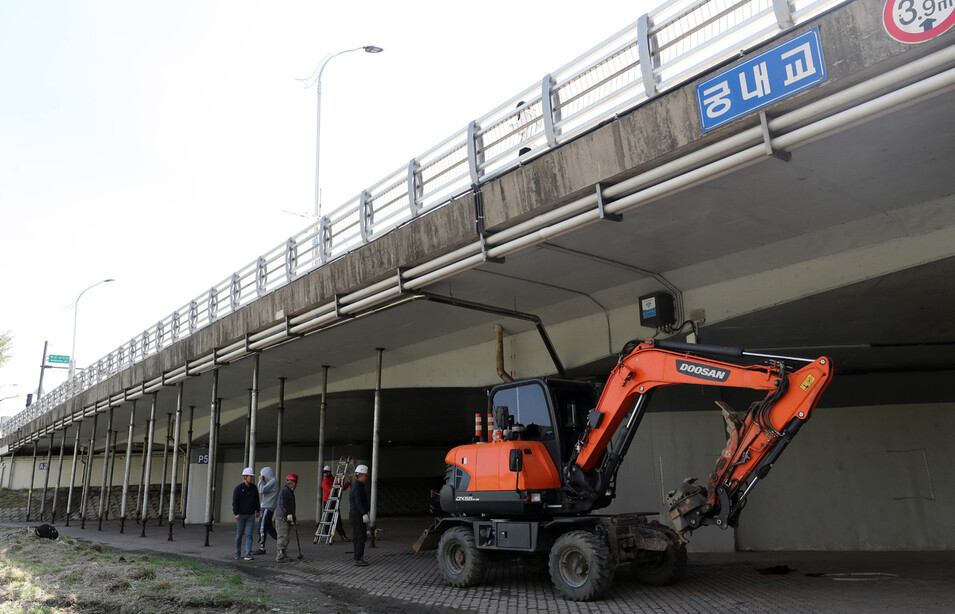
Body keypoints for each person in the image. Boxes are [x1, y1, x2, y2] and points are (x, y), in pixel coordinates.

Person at [232, 467, 260, 561]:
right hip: (241, 515)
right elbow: (235, 502)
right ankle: (238, 552)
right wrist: (236, 513)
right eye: (250, 476)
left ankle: (248, 553)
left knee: (249, 534)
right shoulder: (239, 488)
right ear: (245, 477)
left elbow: (257, 500)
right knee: (239, 535)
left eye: (252, 476)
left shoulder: (254, 488)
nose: (251, 478)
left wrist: (258, 510)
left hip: (251, 515)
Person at [321, 465, 350, 542]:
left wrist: (348, 482)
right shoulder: (324, 482)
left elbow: (342, 488)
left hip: (335, 502)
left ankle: (342, 536)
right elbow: (330, 490)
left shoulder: (334, 479)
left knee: (338, 520)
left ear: (330, 472)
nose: (325, 474)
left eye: (327, 472)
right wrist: (338, 484)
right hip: (328, 502)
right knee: (328, 520)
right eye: (324, 472)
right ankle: (328, 536)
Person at [349, 464, 371, 566]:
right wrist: (364, 514)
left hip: (355, 515)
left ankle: (357, 557)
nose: (366, 477)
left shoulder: (357, 486)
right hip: (357, 516)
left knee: (358, 536)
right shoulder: (358, 488)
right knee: (360, 536)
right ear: (361, 475)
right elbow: (359, 502)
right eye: (366, 476)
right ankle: (358, 558)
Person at [254, 466, 278, 555]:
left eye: (262, 475)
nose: (261, 477)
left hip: (267, 508)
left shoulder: (273, 481)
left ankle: (262, 548)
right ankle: (281, 542)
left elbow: (261, 490)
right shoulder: (272, 482)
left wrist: (260, 480)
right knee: (269, 528)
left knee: (262, 527)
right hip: (267, 507)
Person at [274, 472, 298, 562]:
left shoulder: (287, 491)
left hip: (282, 518)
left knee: (284, 537)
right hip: (282, 519)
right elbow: (286, 504)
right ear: (292, 483)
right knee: (283, 537)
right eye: (295, 484)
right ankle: (280, 556)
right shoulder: (286, 492)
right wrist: (289, 514)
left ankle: (282, 554)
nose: (295, 486)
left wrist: (293, 515)